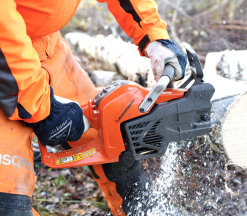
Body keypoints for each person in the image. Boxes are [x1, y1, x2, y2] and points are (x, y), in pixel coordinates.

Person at [0, 0, 186, 215]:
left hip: (48, 49)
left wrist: (154, 36)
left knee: (112, 140)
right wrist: (40, 105)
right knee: (7, 201)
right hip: (6, 61)